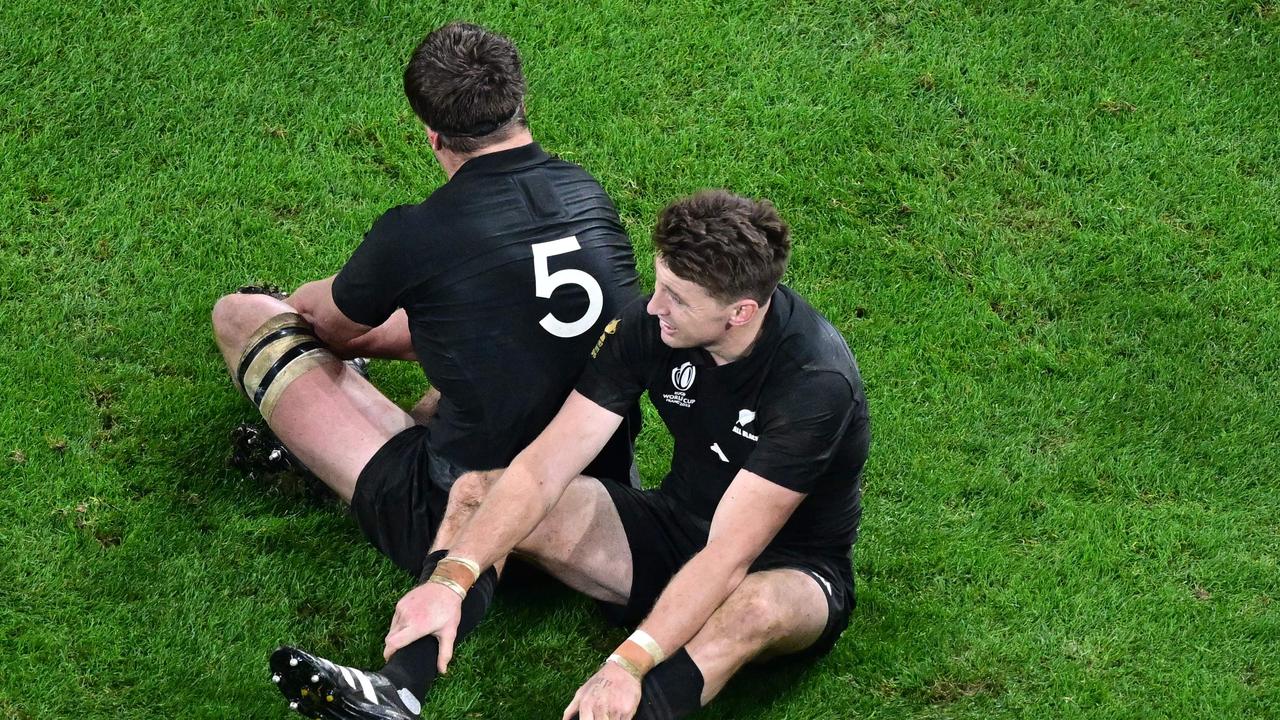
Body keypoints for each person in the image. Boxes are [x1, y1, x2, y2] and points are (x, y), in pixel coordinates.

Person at [271, 190, 871, 719]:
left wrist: (628, 665)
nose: (654, 305)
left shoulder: (812, 383)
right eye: (660, 284)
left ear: (740, 313)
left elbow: (730, 554)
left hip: (789, 570)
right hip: (674, 526)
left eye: (678, 298)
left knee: (752, 607)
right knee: (480, 490)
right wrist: (452, 579)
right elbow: (544, 467)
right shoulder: (652, 326)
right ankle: (396, 692)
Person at [210, 21, 642, 716]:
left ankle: (398, 672)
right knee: (489, 336)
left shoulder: (416, 232)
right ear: (520, 103)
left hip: (452, 515)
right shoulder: (585, 194)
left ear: (430, 133)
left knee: (240, 317)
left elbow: (326, 322)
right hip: (597, 502)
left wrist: (289, 307)